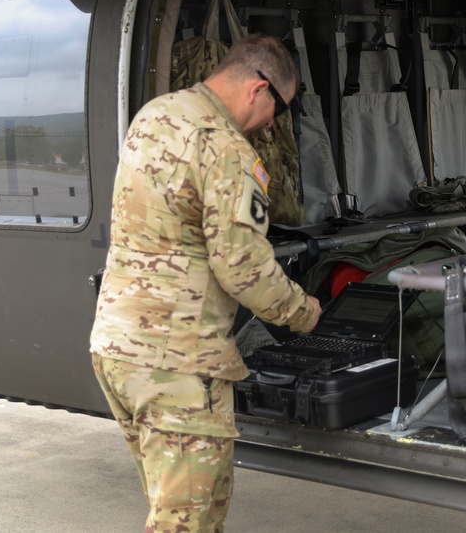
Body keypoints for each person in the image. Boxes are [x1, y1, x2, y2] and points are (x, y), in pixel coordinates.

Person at [90, 34, 321, 533]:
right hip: (178, 363)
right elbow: (242, 267)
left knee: (179, 506)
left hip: (118, 349)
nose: (274, 123)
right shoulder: (227, 149)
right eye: (279, 108)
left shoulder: (156, 114)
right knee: (187, 521)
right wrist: (302, 311)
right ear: (259, 89)